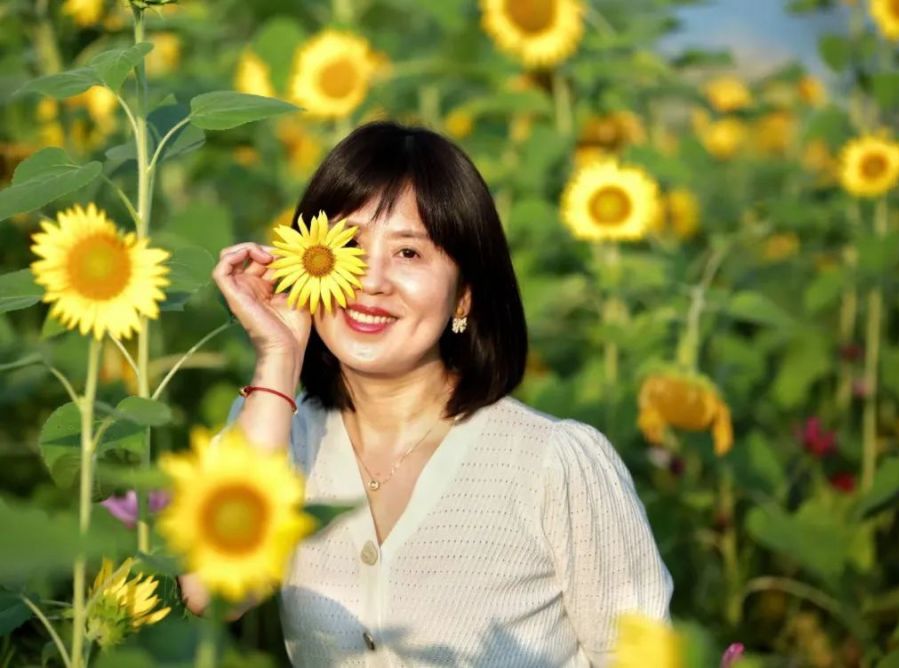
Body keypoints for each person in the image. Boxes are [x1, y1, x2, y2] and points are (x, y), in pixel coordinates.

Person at [181, 121, 672, 667]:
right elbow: (210, 591)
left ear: (463, 296)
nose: (370, 281)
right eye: (346, 246)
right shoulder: (277, 436)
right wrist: (278, 356)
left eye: (409, 254)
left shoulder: (553, 465)